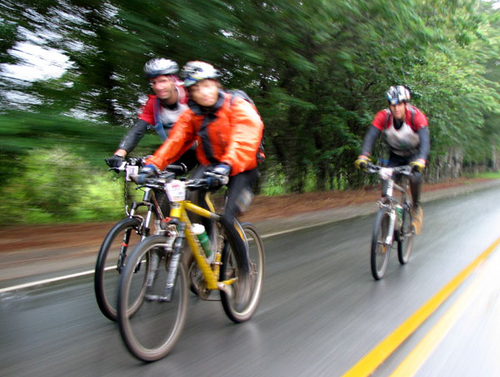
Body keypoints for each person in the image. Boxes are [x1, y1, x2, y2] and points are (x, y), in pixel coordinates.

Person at [139, 61, 264, 301]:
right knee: (186, 197)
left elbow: (246, 137)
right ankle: (203, 253)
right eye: (196, 89)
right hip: (212, 165)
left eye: (207, 86)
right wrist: (152, 166)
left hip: (243, 165)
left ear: (216, 85)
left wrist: (227, 165)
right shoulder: (192, 115)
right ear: (190, 92)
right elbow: (174, 143)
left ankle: (245, 273)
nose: (203, 92)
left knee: (228, 218)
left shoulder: (237, 106)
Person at [354, 85, 430, 234]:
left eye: (399, 105)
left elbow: (425, 141)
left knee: (415, 177)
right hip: (395, 155)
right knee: (386, 189)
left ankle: (415, 208)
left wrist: (421, 160)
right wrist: (363, 156)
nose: (396, 109)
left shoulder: (416, 116)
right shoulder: (384, 116)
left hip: (414, 155)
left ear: (406, 104)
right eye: (393, 105)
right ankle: (384, 232)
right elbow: (371, 135)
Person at [105, 58, 197, 170]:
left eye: (163, 81)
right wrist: (120, 154)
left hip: (209, 149)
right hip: (182, 153)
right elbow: (137, 130)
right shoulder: (153, 104)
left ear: (173, 80)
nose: (158, 87)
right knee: (154, 177)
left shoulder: (191, 94)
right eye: (154, 83)